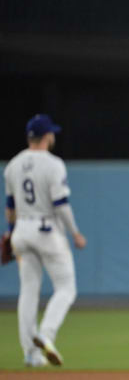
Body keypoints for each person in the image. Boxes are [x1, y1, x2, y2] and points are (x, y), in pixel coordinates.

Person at [3, 114, 87, 367]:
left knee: (28, 291)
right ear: (47, 136)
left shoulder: (12, 165)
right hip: (47, 229)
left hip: (21, 231)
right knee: (66, 287)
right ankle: (46, 334)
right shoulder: (53, 164)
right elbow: (60, 204)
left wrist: (11, 231)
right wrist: (75, 232)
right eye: (52, 134)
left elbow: (10, 207)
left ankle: (30, 354)